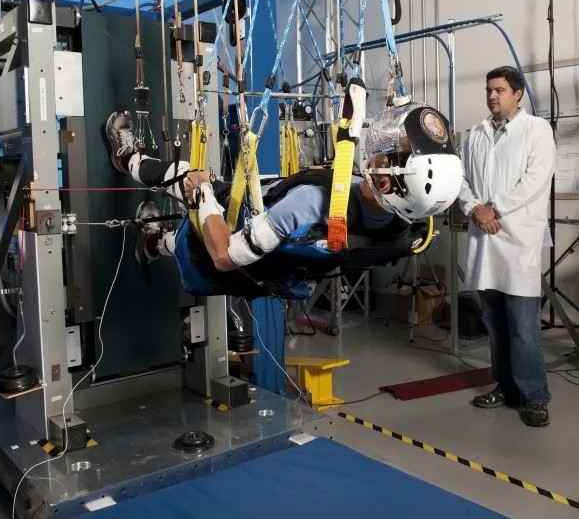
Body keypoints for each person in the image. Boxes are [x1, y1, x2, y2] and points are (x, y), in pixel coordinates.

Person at [105, 98, 460, 299]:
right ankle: (153, 245)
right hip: (270, 272)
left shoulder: (310, 204)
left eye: (392, 154)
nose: (382, 150)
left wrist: (203, 196)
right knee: (187, 234)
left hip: (228, 253)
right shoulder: (411, 230)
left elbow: (225, 256)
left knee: (187, 174)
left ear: (388, 184)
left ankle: (128, 159)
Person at [457, 65, 556, 427]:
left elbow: (534, 179)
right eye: (488, 90)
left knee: (523, 327)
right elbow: (462, 180)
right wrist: (474, 208)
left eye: (499, 90)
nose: (492, 96)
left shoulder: (537, 130)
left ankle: (535, 397)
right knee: (495, 325)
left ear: (518, 93)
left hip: (517, 240)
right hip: (485, 240)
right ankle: (506, 386)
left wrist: (493, 207)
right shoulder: (476, 134)